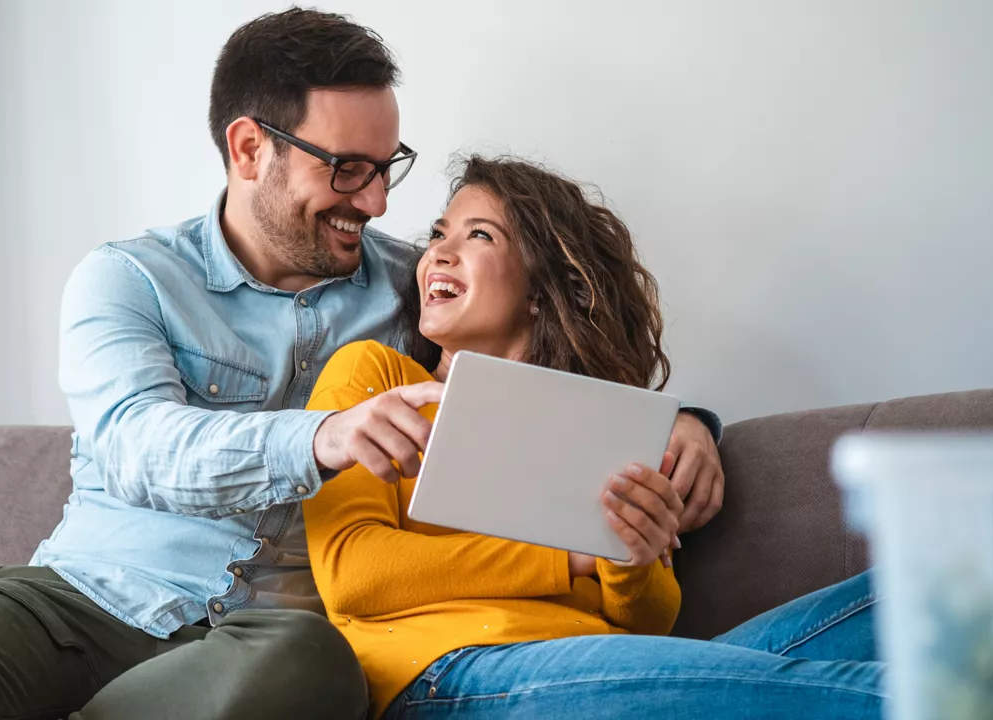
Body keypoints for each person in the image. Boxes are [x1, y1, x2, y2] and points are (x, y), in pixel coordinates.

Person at [0, 9, 725, 720]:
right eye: (346, 167)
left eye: (385, 165)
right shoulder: (128, 279)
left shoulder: (412, 286)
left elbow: (538, 333)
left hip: (269, 646)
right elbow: (136, 446)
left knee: (312, 670)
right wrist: (318, 438)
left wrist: (685, 423)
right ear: (250, 148)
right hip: (87, 600)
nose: (375, 199)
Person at [303, 155, 883, 719]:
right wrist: (571, 555)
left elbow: (646, 620)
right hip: (446, 672)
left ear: (538, 287)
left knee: (925, 595)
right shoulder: (376, 377)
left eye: (478, 235)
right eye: (438, 234)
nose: (437, 254)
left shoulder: (599, 421)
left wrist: (629, 558)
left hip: (604, 665)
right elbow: (354, 575)